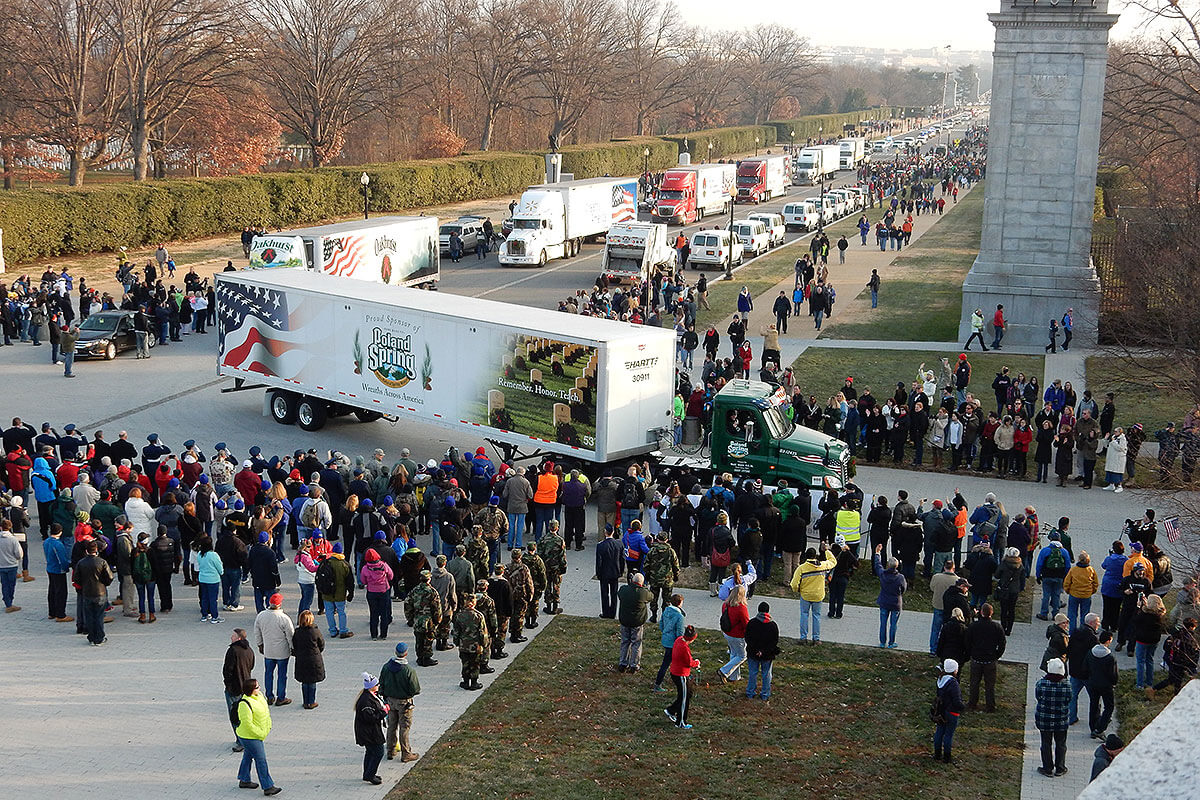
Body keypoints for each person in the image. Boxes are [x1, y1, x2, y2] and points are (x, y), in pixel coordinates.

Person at [234, 678, 282, 795]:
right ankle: (268, 786)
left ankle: (244, 779)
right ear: (250, 690)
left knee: (248, 755)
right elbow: (247, 724)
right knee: (261, 760)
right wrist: (261, 733)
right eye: (257, 687)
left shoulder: (259, 696)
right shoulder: (244, 704)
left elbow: (266, 712)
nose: (259, 688)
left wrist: (268, 725)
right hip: (249, 736)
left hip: (257, 734)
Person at [380, 641, 421, 762]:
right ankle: (406, 753)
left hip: (390, 702)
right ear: (406, 654)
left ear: (395, 653)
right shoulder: (408, 670)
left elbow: (381, 683)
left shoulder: (386, 667)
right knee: (405, 727)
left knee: (391, 726)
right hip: (404, 703)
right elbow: (416, 689)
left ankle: (390, 750)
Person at [253, 592, 295, 706]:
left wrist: (260, 644)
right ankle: (281, 697)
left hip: (268, 650)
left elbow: (257, 632)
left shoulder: (261, 615)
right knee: (282, 675)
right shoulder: (284, 618)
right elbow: (290, 635)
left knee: (268, 674)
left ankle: (269, 696)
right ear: (279, 604)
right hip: (282, 651)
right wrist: (292, 647)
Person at [790, 543, 836, 643]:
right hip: (818, 595)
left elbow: (793, 584)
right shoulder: (822, 565)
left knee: (804, 615)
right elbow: (833, 561)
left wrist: (797, 590)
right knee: (816, 616)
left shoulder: (801, 568)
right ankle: (816, 639)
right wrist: (827, 550)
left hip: (805, 595)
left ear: (806, 556)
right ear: (815, 556)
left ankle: (803, 638)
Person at [964, 603, 1006, 712]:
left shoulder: (974, 626)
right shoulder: (997, 627)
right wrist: (997, 655)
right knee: (990, 684)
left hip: (976, 659)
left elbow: (967, 642)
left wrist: (971, 653)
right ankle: (990, 705)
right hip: (990, 660)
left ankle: (972, 703)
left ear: (981, 612)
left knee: (974, 682)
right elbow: (1002, 643)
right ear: (991, 613)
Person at [1035, 659, 1072, 778]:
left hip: (1044, 719)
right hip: (1061, 721)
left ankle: (1047, 769)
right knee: (1061, 744)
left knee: (1046, 743)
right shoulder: (1067, 685)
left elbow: (1038, 697)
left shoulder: (1041, 683)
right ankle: (1060, 768)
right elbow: (1069, 699)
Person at [73, 538, 113, 645]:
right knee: (99, 616)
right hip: (100, 592)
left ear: (86, 551)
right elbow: (110, 577)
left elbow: (76, 578)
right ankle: (99, 637)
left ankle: (91, 637)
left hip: (87, 592)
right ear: (97, 550)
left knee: (89, 616)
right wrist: (104, 583)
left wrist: (83, 584)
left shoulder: (81, 563)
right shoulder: (102, 562)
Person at [1149, 617, 1199, 699]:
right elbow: (1192, 654)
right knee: (1175, 679)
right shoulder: (1190, 639)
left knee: (1175, 679)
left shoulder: (1176, 634)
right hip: (1182, 662)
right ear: (1191, 627)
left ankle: (1174, 694)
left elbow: (1166, 647)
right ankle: (1155, 690)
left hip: (1172, 659)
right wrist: (1192, 668)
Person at [223, 629, 256, 753]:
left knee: (235, 715)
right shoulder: (249, 650)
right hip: (246, 686)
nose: (231, 637)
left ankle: (240, 741)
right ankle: (246, 738)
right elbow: (252, 665)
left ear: (239, 638)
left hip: (234, 687)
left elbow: (227, 670)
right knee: (244, 714)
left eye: (233, 635)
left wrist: (227, 684)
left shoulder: (233, 650)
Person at [1066, 612, 1100, 726]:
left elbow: (1069, 649)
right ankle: (1096, 721)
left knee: (1072, 695)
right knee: (1094, 698)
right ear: (1091, 623)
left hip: (1075, 671)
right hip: (1088, 674)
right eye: (1097, 622)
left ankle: (1071, 717)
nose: (1099, 624)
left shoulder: (1075, 632)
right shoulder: (1093, 639)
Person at [355, 672, 389, 785]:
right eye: (377, 684)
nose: (379, 685)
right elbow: (370, 718)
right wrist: (384, 713)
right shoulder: (366, 701)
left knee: (370, 752)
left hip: (369, 731)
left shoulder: (370, 695)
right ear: (372, 686)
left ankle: (367, 774)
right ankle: (370, 775)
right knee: (379, 752)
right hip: (369, 732)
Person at [616, 572, 654, 673]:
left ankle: (623, 663)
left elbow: (620, 594)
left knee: (625, 642)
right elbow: (651, 596)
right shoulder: (643, 593)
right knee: (636, 643)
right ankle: (634, 665)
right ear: (641, 583)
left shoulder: (624, 590)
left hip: (624, 620)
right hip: (637, 622)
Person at [1086, 629, 1118, 740]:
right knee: (1109, 707)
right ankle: (1099, 728)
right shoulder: (1110, 657)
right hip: (1106, 686)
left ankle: (1092, 727)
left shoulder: (1091, 652)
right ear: (1108, 641)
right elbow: (1113, 675)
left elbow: (1085, 667)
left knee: (1094, 705)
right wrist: (1114, 683)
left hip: (1093, 683)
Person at [665, 624, 699, 730]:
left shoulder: (679, 640)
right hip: (681, 674)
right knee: (684, 698)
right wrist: (696, 663)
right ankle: (681, 721)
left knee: (687, 694)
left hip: (675, 671)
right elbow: (689, 662)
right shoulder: (684, 648)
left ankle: (671, 710)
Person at [744, 601, 778, 700]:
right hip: (767, 654)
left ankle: (750, 692)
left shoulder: (752, 623)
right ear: (768, 611)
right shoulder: (772, 625)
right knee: (766, 674)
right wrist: (763, 651)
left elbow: (748, 638)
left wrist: (756, 650)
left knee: (752, 673)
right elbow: (774, 642)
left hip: (753, 653)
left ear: (758, 610)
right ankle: (765, 694)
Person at [874, 545, 907, 648]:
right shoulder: (900, 577)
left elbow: (877, 565)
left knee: (883, 623)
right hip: (895, 603)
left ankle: (882, 642)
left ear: (888, 565)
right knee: (893, 624)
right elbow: (903, 589)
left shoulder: (883, 574)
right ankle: (891, 643)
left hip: (884, 601)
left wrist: (877, 553)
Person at [1132, 593, 1167, 690]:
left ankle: (1140, 684)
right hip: (1154, 640)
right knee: (1150, 660)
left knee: (1140, 661)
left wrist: (1138, 607)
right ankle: (1149, 682)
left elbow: (1134, 620)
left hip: (1142, 640)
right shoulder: (1160, 615)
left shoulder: (1144, 614)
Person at [291, 609, 325, 709]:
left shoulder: (297, 632)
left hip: (301, 659)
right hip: (314, 659)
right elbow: (321, 644)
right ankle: (312, 701)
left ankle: (305, 701)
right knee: (312, 681)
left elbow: (294, 644)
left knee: (304, 681)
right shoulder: (315, 631)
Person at [932, 658, 964, 764]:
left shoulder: (940, 680)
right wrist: (963, 707)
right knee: (948, 734)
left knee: (939, 731)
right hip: (952, 712)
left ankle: (937, 754)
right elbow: (956, 701)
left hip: (941, 711)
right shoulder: (953, 683)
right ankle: (947, 757)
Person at [717, 583, 749, 682]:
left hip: (727, 633)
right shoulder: (741, 608)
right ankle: (724, 671)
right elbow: (746, 624)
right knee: (742, 656)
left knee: (734, 653)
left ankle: (734, 676)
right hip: (737, 635)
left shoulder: (725, 605)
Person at [654, 593, 686, 692]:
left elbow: (661, 624)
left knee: (669, 661)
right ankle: (658, 684)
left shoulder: (666, 611)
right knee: (666, 663)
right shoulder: (679, 616)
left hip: (665, 639)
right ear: (680, 603)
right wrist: (681, 642)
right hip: (673, 643)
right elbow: (679, 632)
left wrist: (665, 632)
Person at [1063, 552, 1099, 632]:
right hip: (1086, 596)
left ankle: (1072, 632)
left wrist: (1068, 590)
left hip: (1074, 594)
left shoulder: (1073, 570)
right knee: (1085, 615)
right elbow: (1095, 583)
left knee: (1072, 615)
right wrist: (1091, 591)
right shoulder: (1091, 570)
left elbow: (1067, 582)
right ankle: (1083, 632)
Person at [595, 524, 622, 619]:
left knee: (604, 593)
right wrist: (620, 572)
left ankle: (605, 612)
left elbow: (599, 562)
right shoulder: (618, 544)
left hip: (604, 573)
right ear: (613, 532)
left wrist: (598, 573)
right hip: (615, 572)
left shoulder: (601, 546)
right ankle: (613, 613)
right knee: (614, 593)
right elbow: (622, 560)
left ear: (605, 532)